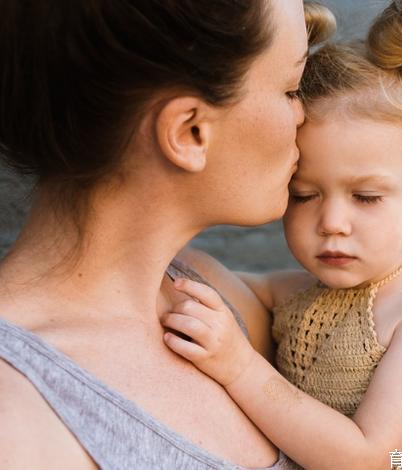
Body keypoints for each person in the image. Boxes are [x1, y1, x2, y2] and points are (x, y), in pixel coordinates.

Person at [0, 0, 327, 468]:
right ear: (190, 131)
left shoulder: (215, 299)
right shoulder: (17, 421)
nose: (305, 116)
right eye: (292, 89)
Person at [159, 0, 402, 468]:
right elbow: (208, 275)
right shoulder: (297, 294)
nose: (332, 221)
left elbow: (369, 457)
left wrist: (239, 366)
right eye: (305, 194)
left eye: (366, 197)